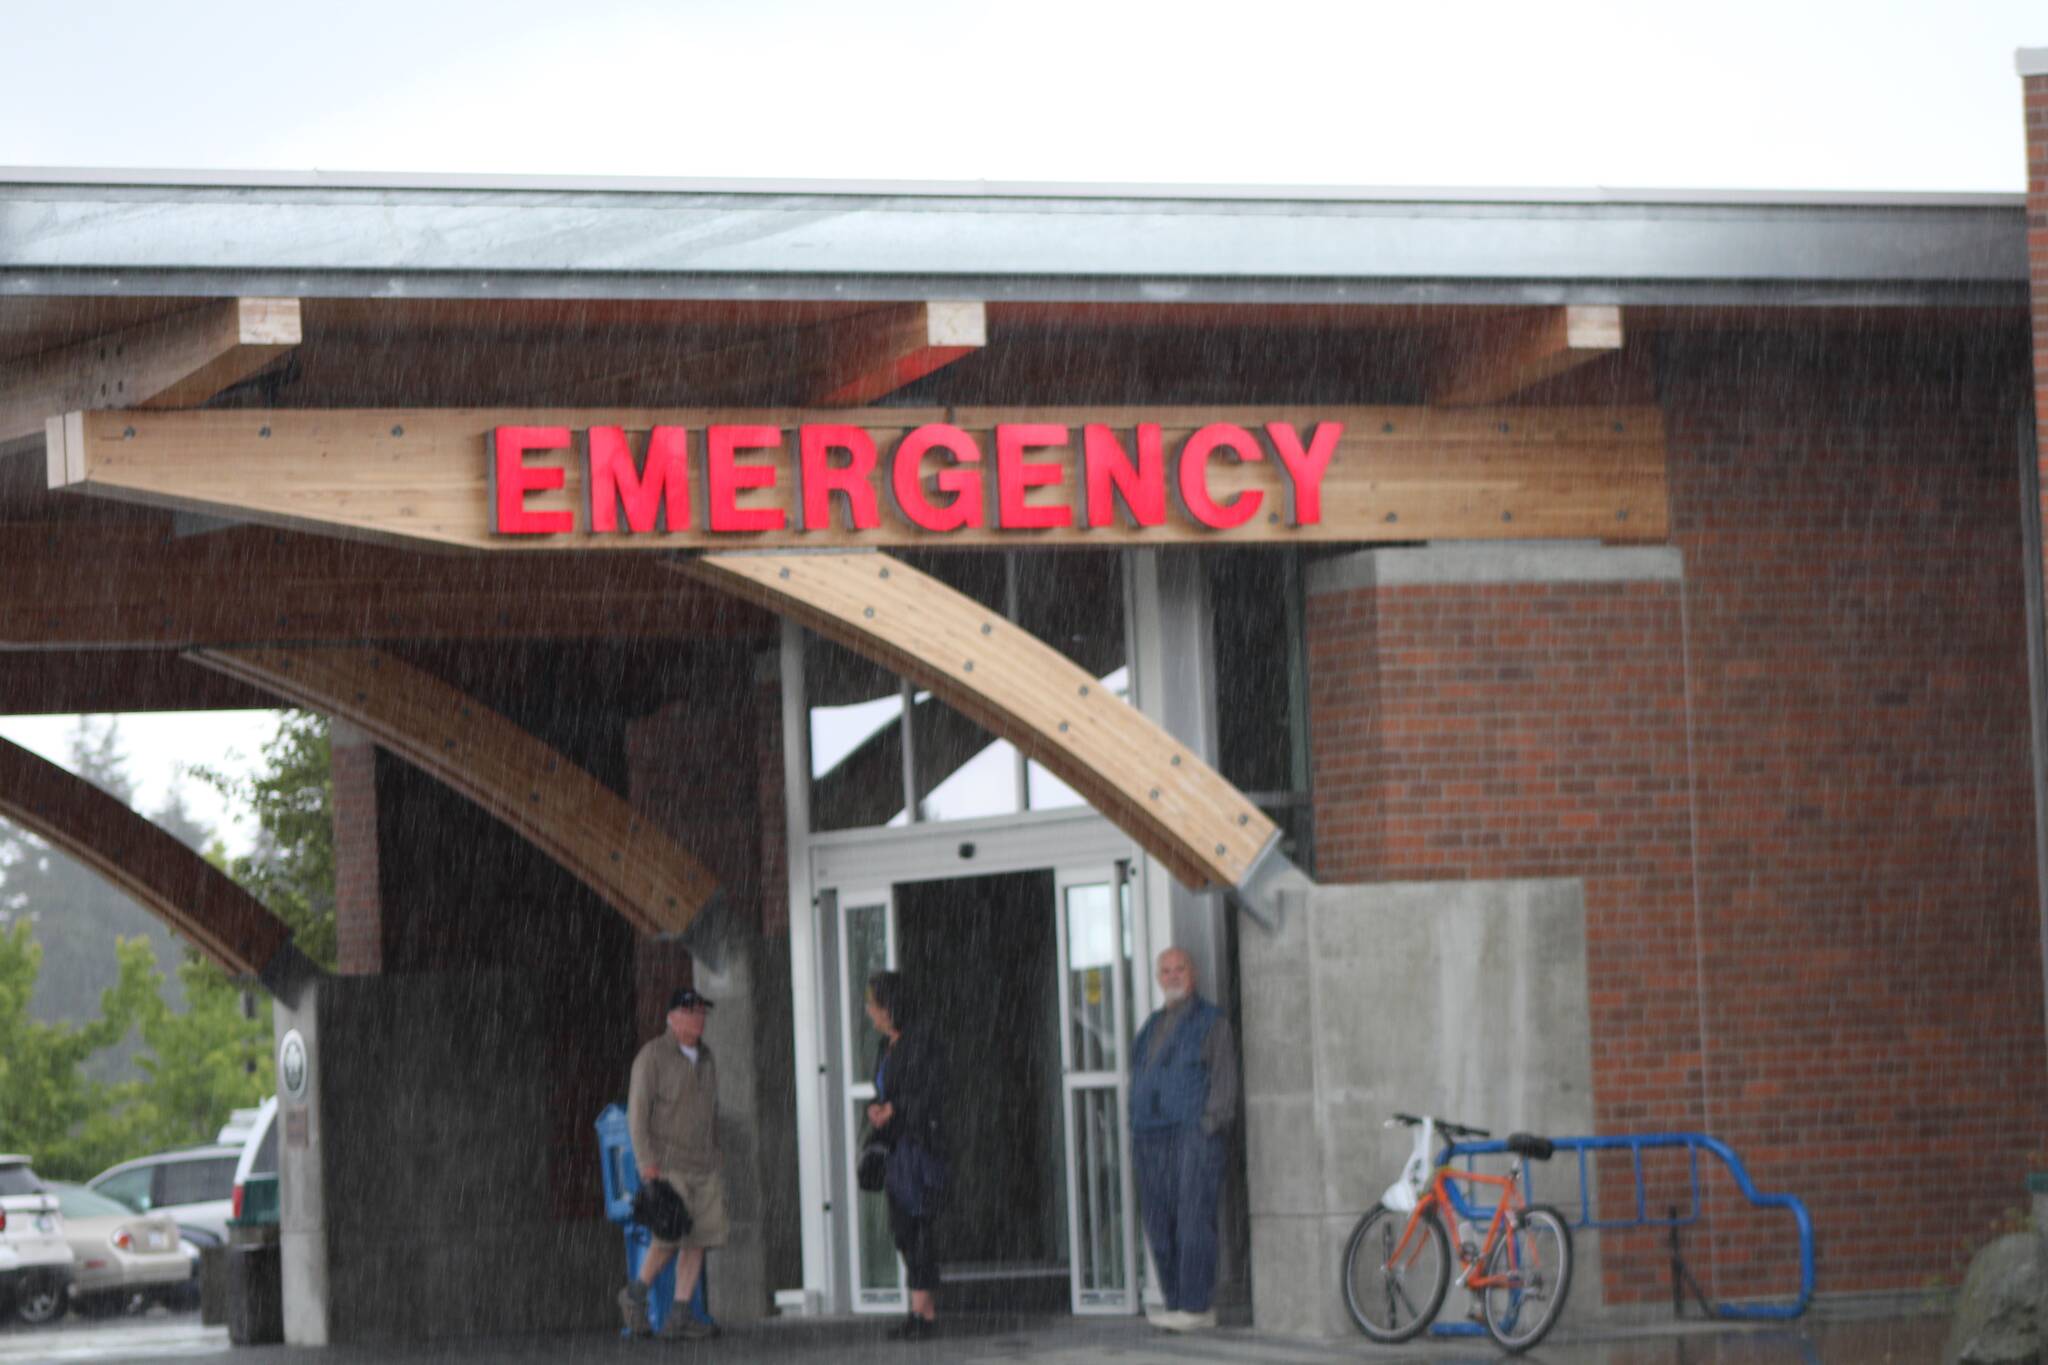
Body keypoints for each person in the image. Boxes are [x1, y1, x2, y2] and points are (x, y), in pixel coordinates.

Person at [1129, 947, 1238, 1332]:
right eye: (1166, 970)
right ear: (1159, 978)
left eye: (1180, 969)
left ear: (1193, 974)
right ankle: (1176, 1303)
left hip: (1192, 1135)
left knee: (1193, 1219)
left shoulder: (1211, 1021)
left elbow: (1224, 1084)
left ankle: (1196, 1306)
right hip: (1149, 1135)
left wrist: (1209, 1125)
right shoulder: (1150, 1026)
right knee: (1159, 1222)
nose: (1173, 976)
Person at [618, 987, 728, 1341]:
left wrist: (716, 1154)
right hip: (668, 1164)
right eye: (692, 1012)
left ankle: (680, 1315)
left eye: (702, 1013)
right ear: (672, 1017)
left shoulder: (707, 1057)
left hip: (704, 1164)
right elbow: (637, 1115)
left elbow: (711, 1113)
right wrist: (646, 1163)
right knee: (667, 1236)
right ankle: (635, 1295)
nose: (699, 1019)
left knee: (698, 1239)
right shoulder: (652, 1056)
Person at [864, 970, 946, 1341]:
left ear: (891, 1008)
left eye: (874, 1006)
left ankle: (922, 1313)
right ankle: (922, 1313)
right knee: (902, 1230)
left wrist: (896, 1109)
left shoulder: (922, 1041)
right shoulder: (886, 1047)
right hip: (895, 1149)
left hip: (920, 1149)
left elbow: (932, 1092)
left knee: (919, 1228)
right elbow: (884, 1089)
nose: (870, 1013)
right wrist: (877, 1108)